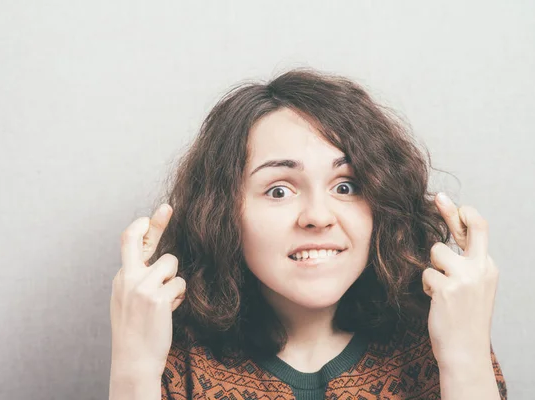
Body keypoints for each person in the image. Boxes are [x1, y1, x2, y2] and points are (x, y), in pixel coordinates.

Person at [109, 68, 507, 400]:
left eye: (346, 186)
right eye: (279, 190)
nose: (318, 216)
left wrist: (465, 355)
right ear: (222, 212)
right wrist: (134, 365)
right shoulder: (177, 363)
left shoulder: (439, 346)